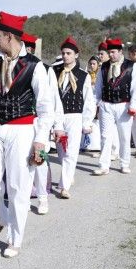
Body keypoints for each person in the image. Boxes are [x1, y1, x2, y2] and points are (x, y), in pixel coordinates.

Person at [0, 12, 53, 258]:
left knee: (18, 186)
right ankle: (3, 218)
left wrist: (40, 140)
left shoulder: (36, 67)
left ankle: (15, 238)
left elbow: (46, 107)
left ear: (9, 36)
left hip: (22, 130)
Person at [21, 32, 62, 214]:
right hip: (21, 122)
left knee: (40, 160)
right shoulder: (13, 66)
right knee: (21, 160)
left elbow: (54, 100)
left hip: (40, 121)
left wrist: (57, 125)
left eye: (28, 48)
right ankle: (22, 195)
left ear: (32, 49)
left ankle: (42, 198)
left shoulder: (45, 69)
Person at [52, 37, 96, 198]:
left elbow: (88, 101)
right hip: (58, 117)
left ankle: (64, 187)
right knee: (62, 152)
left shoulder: (83, 76)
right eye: (63, 53)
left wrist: (87, 122)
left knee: (71, 152)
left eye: (69, 53)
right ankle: (68, 176)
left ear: (76, 55)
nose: (65, 56)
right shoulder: (55, 72)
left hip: (75, 117)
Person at [93, 39, 136, 175]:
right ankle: (104, 165)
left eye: (113, 52)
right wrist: (97, 102)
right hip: (106, 104)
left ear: (120, 52)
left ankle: (124, 163)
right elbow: (98, 86)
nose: (111, 55)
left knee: (125, 136)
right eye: (109, 52)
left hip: (124, 105)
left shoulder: (131, 66)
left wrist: (133, 106)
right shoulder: (103, 66)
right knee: (105, 136)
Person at [81, 56, 102, 153]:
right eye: (91, 64)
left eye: (94, 64)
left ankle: (96, 145)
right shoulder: (86, 75)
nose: (92, 65)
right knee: (87, 120)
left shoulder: (100, 75)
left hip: (97, 101)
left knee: (96, 122)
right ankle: (86, 144)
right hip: (87, 101)